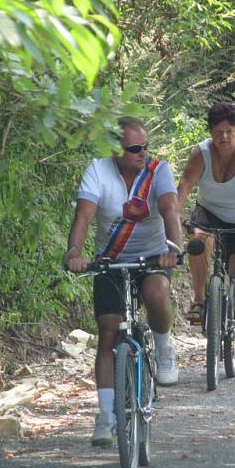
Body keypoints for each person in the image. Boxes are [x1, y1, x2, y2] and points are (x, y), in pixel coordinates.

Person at [64, 117, 182, 447]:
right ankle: (104, 415)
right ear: (116, 150)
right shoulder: (98, 171)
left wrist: (174, 248)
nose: (142, 153)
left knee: (156, 290)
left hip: (152, 257)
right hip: (110, 261)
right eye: (134, 148)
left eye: (145, 146)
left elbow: (170, 209)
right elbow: (83, 216)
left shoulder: (158, 171)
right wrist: (74, 251)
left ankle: (163, 347)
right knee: (108, 330)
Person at [176, 102, 235, 345]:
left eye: (230, 131)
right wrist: (174, 214)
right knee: (198, 243)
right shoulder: (202, 153)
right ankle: (199, 300)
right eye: (218, 132)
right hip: (208, 212)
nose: (224, 137)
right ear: (210, 133)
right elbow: (185, 184)